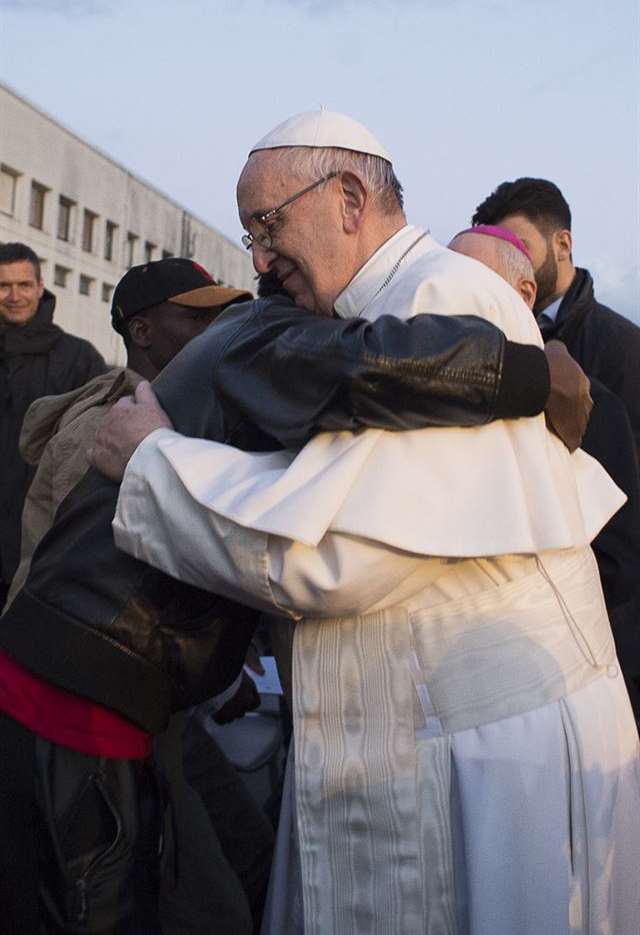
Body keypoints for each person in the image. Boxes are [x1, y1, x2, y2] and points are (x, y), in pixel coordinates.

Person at [92, 111, 639, 935]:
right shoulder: (377, 305)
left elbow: (339, 551)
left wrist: (152, 462)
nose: (259, 257)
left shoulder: (445, 297)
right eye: (250, 233)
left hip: (490, 763)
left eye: (267, 225)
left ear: (349, 198)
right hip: (430, 738)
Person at [0, 237, 584, 933]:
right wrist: (532, 375)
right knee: (92, 904)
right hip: (84, 688)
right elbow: (372, 368)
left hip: (101, 676)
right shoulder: (267, 334)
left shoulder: (244, 336)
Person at [2, 256, 275, 935]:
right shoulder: (104, 429)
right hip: (83, 713)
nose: (216, 328)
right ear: (144, 330)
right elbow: (80, 583)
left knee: (246, 853)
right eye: (198, 316)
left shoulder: (188, 413)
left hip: (151, 707)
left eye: (221, 314)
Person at [450, 226, 640, 719]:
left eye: (470, 280)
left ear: (524, 293)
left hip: (569, 674)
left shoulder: (597, 404)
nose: (450, 296)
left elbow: (619, 564)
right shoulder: (432, 399)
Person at [471, 177, 640, 468]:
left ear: (562, 244)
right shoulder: (484, 335)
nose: (510, 265)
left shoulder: (626, 347)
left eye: (521, 249)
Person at [0, 242, 106, 608]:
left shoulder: (78, 358)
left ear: (40, 287)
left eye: (23, 285)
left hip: (41, 537)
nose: (14, 296)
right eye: (3, 286)